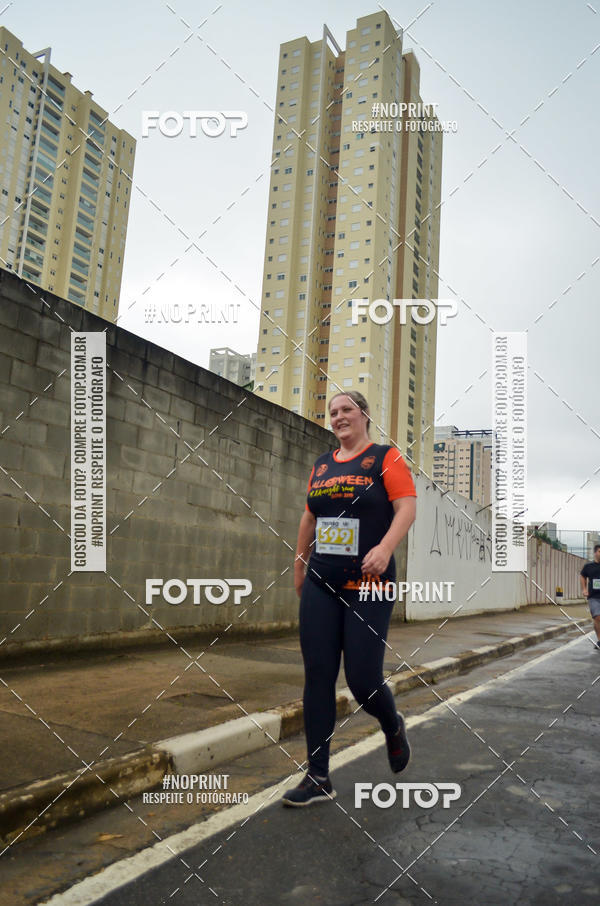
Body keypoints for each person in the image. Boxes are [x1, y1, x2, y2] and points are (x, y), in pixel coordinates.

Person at [282, 390, 417, 807]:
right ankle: (318, 776)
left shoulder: (385, 458)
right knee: (318, 676)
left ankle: (392, 724)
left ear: (364, 415)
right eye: (333, 412)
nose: (339, 417)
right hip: (323, 580)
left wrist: (386, 548)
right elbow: (310, 516)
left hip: (370, 583)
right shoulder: (322, 465)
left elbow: (406, 507)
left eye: (347, 410)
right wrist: (300, 564)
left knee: (362, 680)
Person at [580, 544, 600, 651]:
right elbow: (582, 576)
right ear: (595, 553)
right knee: (597, 617)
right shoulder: (589, 566)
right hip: (593, 597)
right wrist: (584, 589)